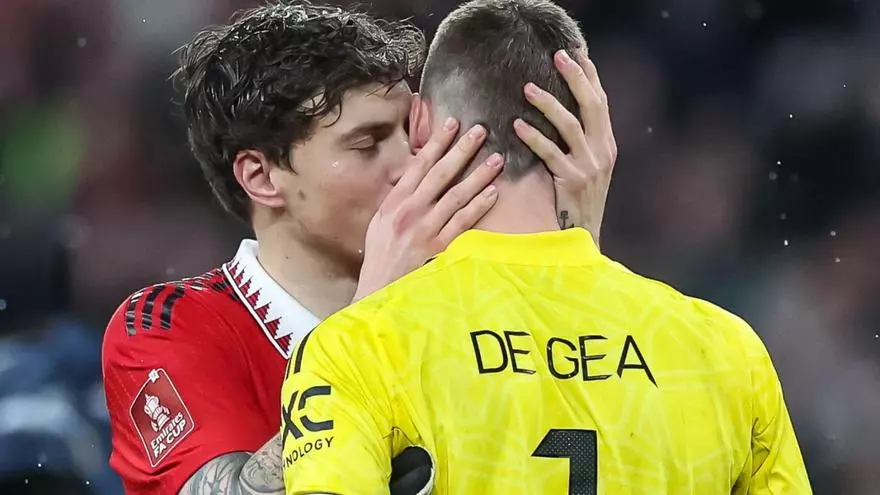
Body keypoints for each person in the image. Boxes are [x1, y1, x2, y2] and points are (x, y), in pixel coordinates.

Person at [278, 0, 813, 494]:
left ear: (420, 124)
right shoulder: (724, 351)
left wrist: (369, 312)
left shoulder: (359, 347)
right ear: (590, 132)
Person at [101, 2, 616, 494]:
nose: (410, 166)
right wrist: (371, 316)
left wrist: (576, 241)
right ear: (261, 176)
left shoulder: (463, 302)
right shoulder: (166, 328)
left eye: (411, 134)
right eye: (367, 145)